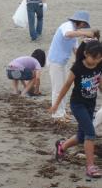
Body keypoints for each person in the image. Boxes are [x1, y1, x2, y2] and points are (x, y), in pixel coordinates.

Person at [49, 41, 102, 178]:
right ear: (86, 54)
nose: (97, 61)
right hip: (78, 104)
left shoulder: (99, 64)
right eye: (94, 58)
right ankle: (90, 166)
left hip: (91, 104)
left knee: (81, 136)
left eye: (99, 58)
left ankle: (62, 146)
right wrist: (56, 104)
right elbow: (66, 86)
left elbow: (99, 81)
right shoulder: (77, 67)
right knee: (90, 133)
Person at [47, 10, 99, 121]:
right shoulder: (67, 26)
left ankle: (62, 111)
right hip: (55, 61)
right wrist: (84, 33)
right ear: (80, 22)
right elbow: (67, 34)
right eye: (84, 24)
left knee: (64, 86)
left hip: (63, 62)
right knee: (57, 88)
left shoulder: (75, 32)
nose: (84, 27)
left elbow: (76, 50)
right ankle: (57, 114)